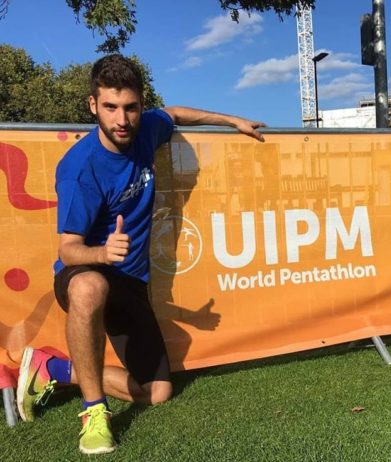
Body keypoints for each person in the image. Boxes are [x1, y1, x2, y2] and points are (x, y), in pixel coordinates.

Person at [16, 54, 265, 455]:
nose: (122, 120)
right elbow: (68, 249)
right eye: (110, 107)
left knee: (158, 391)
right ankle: (94, 413)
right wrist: (103, 252)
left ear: (140, 105)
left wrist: (232, 120)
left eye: (130, 107)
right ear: (93, 105)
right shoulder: (80, 169)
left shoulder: (146, 128)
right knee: (90, 287)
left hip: (130, 281)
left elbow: (176, 114)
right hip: (85, 270)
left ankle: (54, 368)